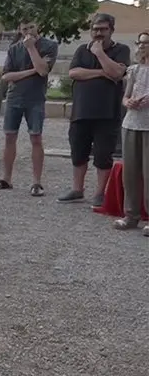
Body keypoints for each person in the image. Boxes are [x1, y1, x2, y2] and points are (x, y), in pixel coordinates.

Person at [60, 13, 131, 206]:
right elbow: (74, 72)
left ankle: (100, 193)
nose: (98, 33)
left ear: (111, 30)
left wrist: (100, 54)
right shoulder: (82, 50)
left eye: (103, 29)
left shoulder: (121, 50)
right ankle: (77, 189)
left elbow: (117, 73)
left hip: (108, 113)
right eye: (95, 29)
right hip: (81, 111)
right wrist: (102, 72)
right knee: (78, 151)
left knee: (103, 154)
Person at [0, 20, 58, 196]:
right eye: (24, 29)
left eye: (31, 27)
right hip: (14, 97)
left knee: (36, 138)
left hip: (35, 99)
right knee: (10, 136)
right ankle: (6, 178)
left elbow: (43, 70)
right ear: (19, 30)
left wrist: (31, 48)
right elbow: (6, 76)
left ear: (38, 26)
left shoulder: (49, 46)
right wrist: (30, 71)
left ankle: (36, 182)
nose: (28, 32)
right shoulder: (13, 49)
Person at [115, 31, 149, 235]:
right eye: (140, 43)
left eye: (146, 42)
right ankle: (131, 215)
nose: (142, 46)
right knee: (130, 173)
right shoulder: (134, 70)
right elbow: (125, 97)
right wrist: (129, 102)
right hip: (131, 124)